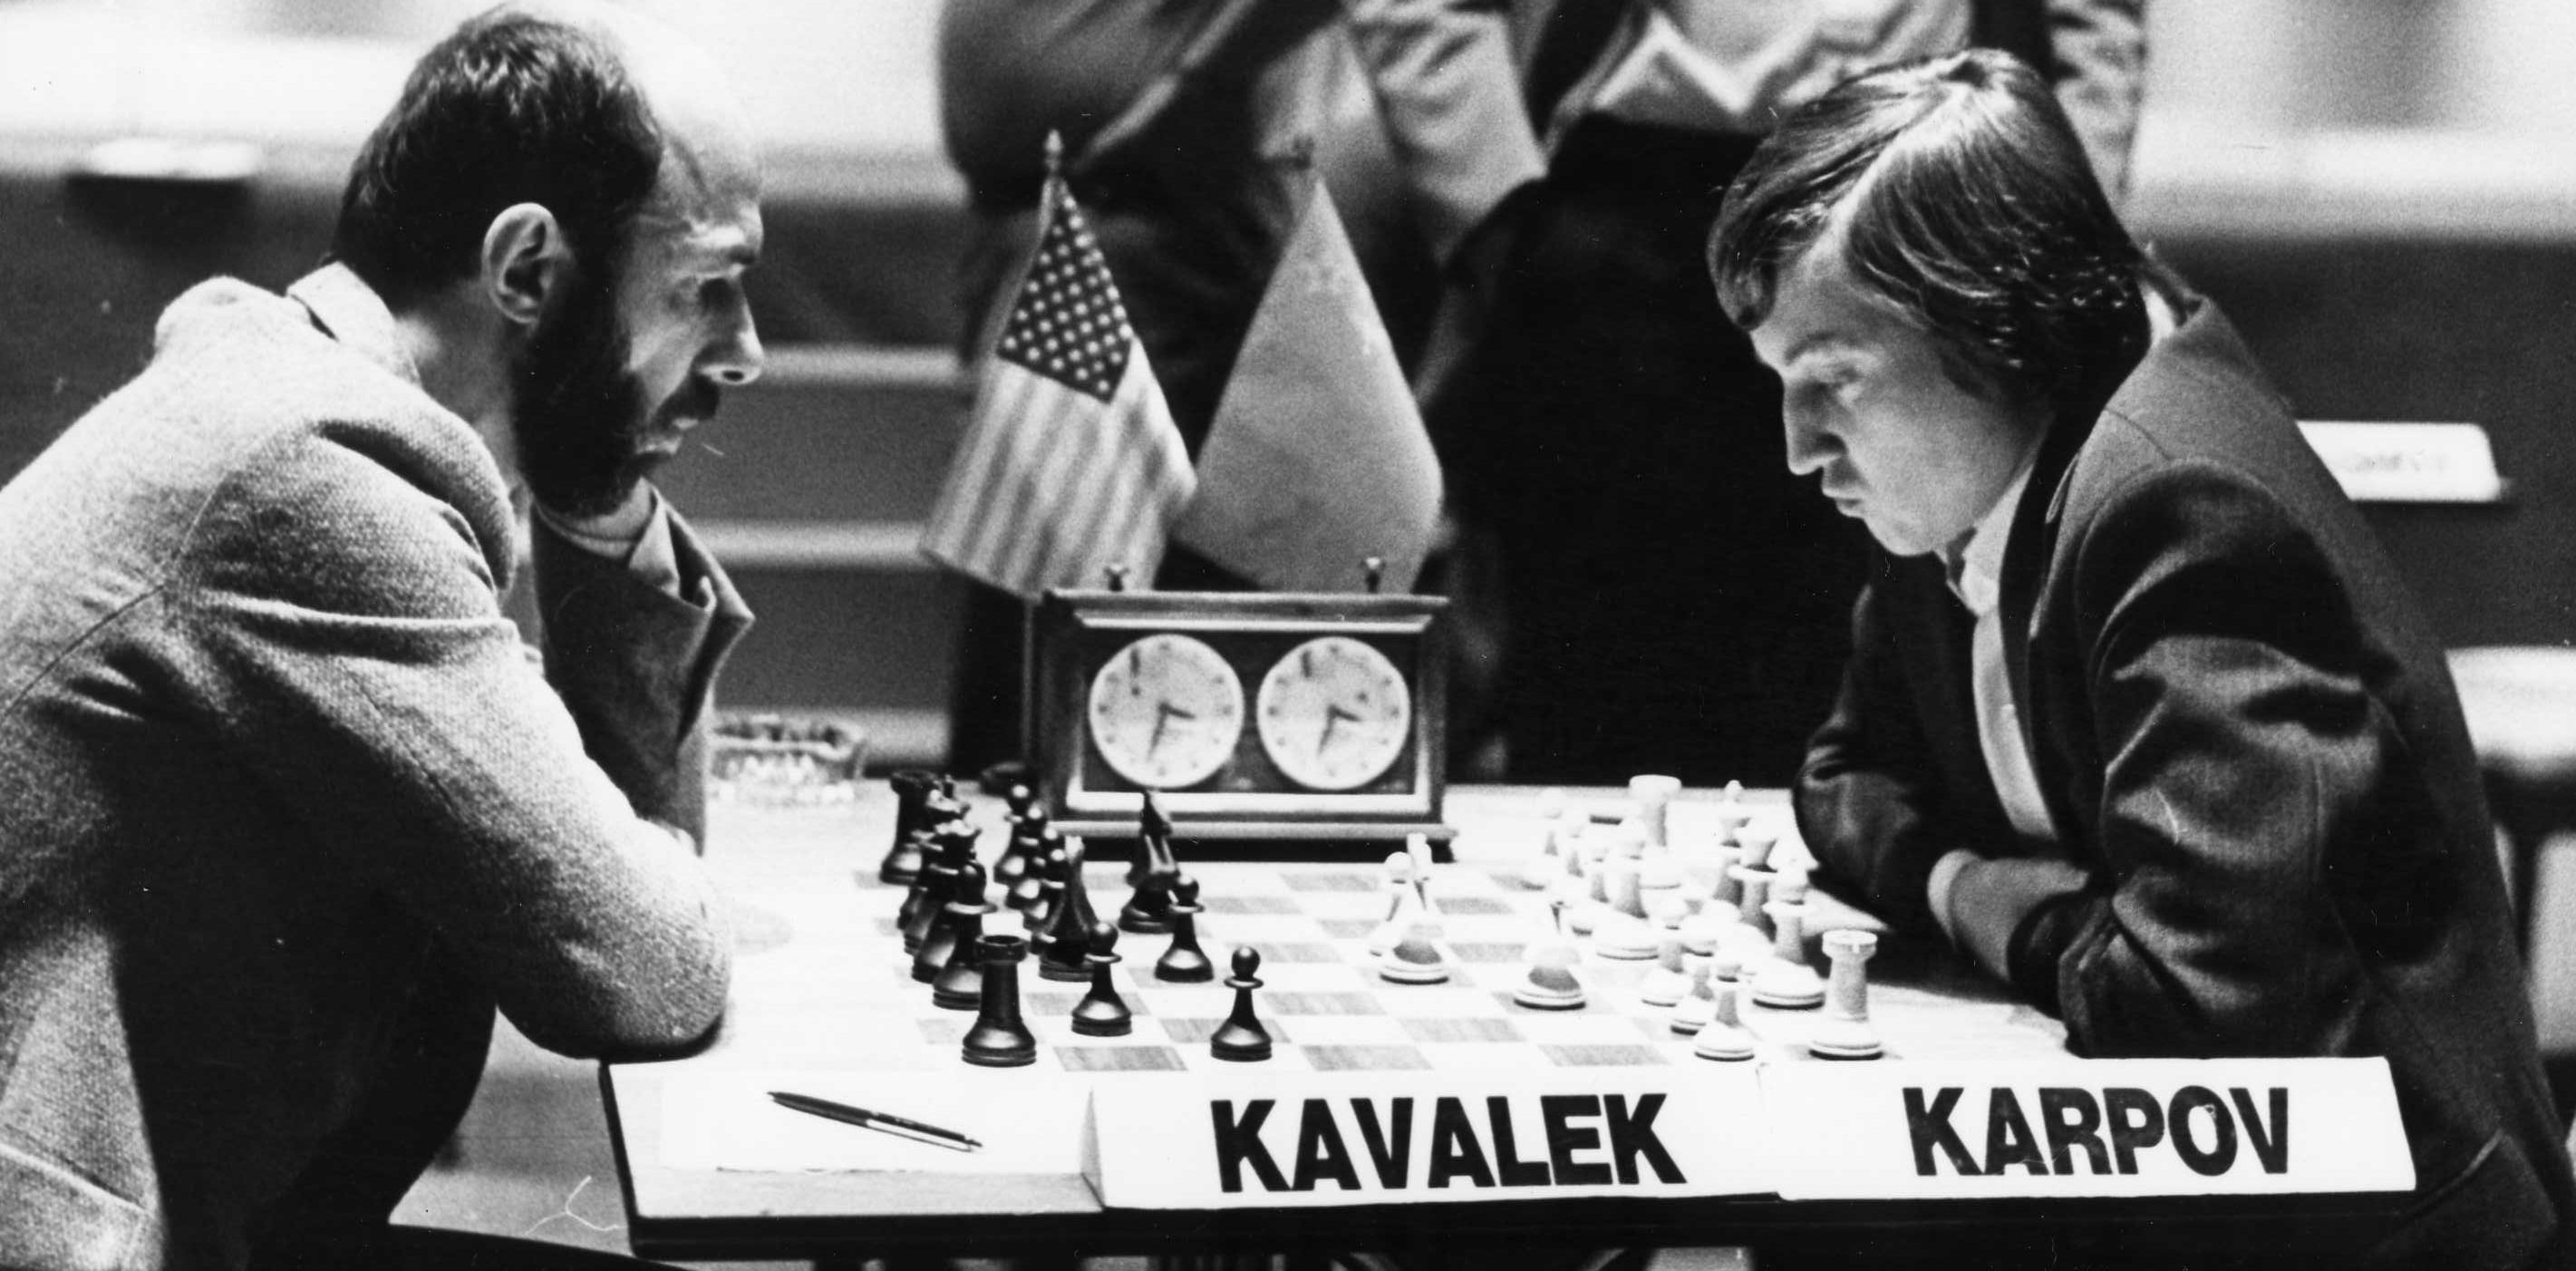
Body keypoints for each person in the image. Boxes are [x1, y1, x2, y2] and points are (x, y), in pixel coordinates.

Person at [1709, 49, 2574, 1267]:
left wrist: (1998, 910)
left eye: (1828, 383)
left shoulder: (2180, 505)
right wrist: (1981, 888)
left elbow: (2193, 1003)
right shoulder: (1962, 460)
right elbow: (1843, 778)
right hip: (2147, 1171)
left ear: (1992, 330)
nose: (1800, 448)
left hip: (2356, 1228)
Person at [0, 5, 763, 1266]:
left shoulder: (304, 414)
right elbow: (643, 969)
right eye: (709, 289)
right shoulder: (308, 476)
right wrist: (658, 874)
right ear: (526, 270)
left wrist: (599, 493)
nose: (745, 352)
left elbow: (627, 909)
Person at [1420, 0, 2145, 786]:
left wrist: (2057, 219)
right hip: (1630, 195)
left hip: (1906, 193)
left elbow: (2096, 24)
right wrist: (1497, 199)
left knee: (1866, 692)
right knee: (1596, 677)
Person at [936, 0, 1540, 775]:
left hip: (1152, 234)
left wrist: (1187, 81)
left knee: (1108, 673)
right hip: (1055, 225)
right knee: (1039, 651)